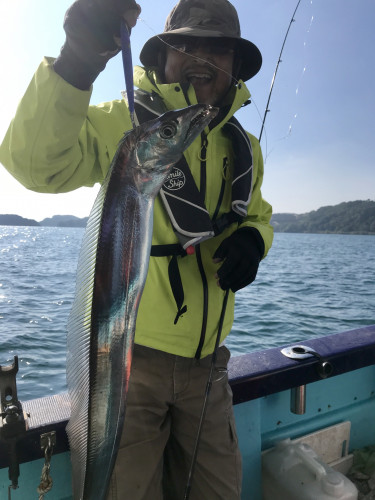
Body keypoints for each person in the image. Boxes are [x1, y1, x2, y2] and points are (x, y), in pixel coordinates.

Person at [0, 0, 273, 498]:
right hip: (126, 363)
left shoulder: (244, 146)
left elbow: (257, 211)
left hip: (210, 367)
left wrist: (255, 239)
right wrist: (77, 60)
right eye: (186, 44)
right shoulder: (121, 124)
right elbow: (34, 164)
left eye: (218, 48)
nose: (200, 57)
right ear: (162, 56)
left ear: (236, 63)